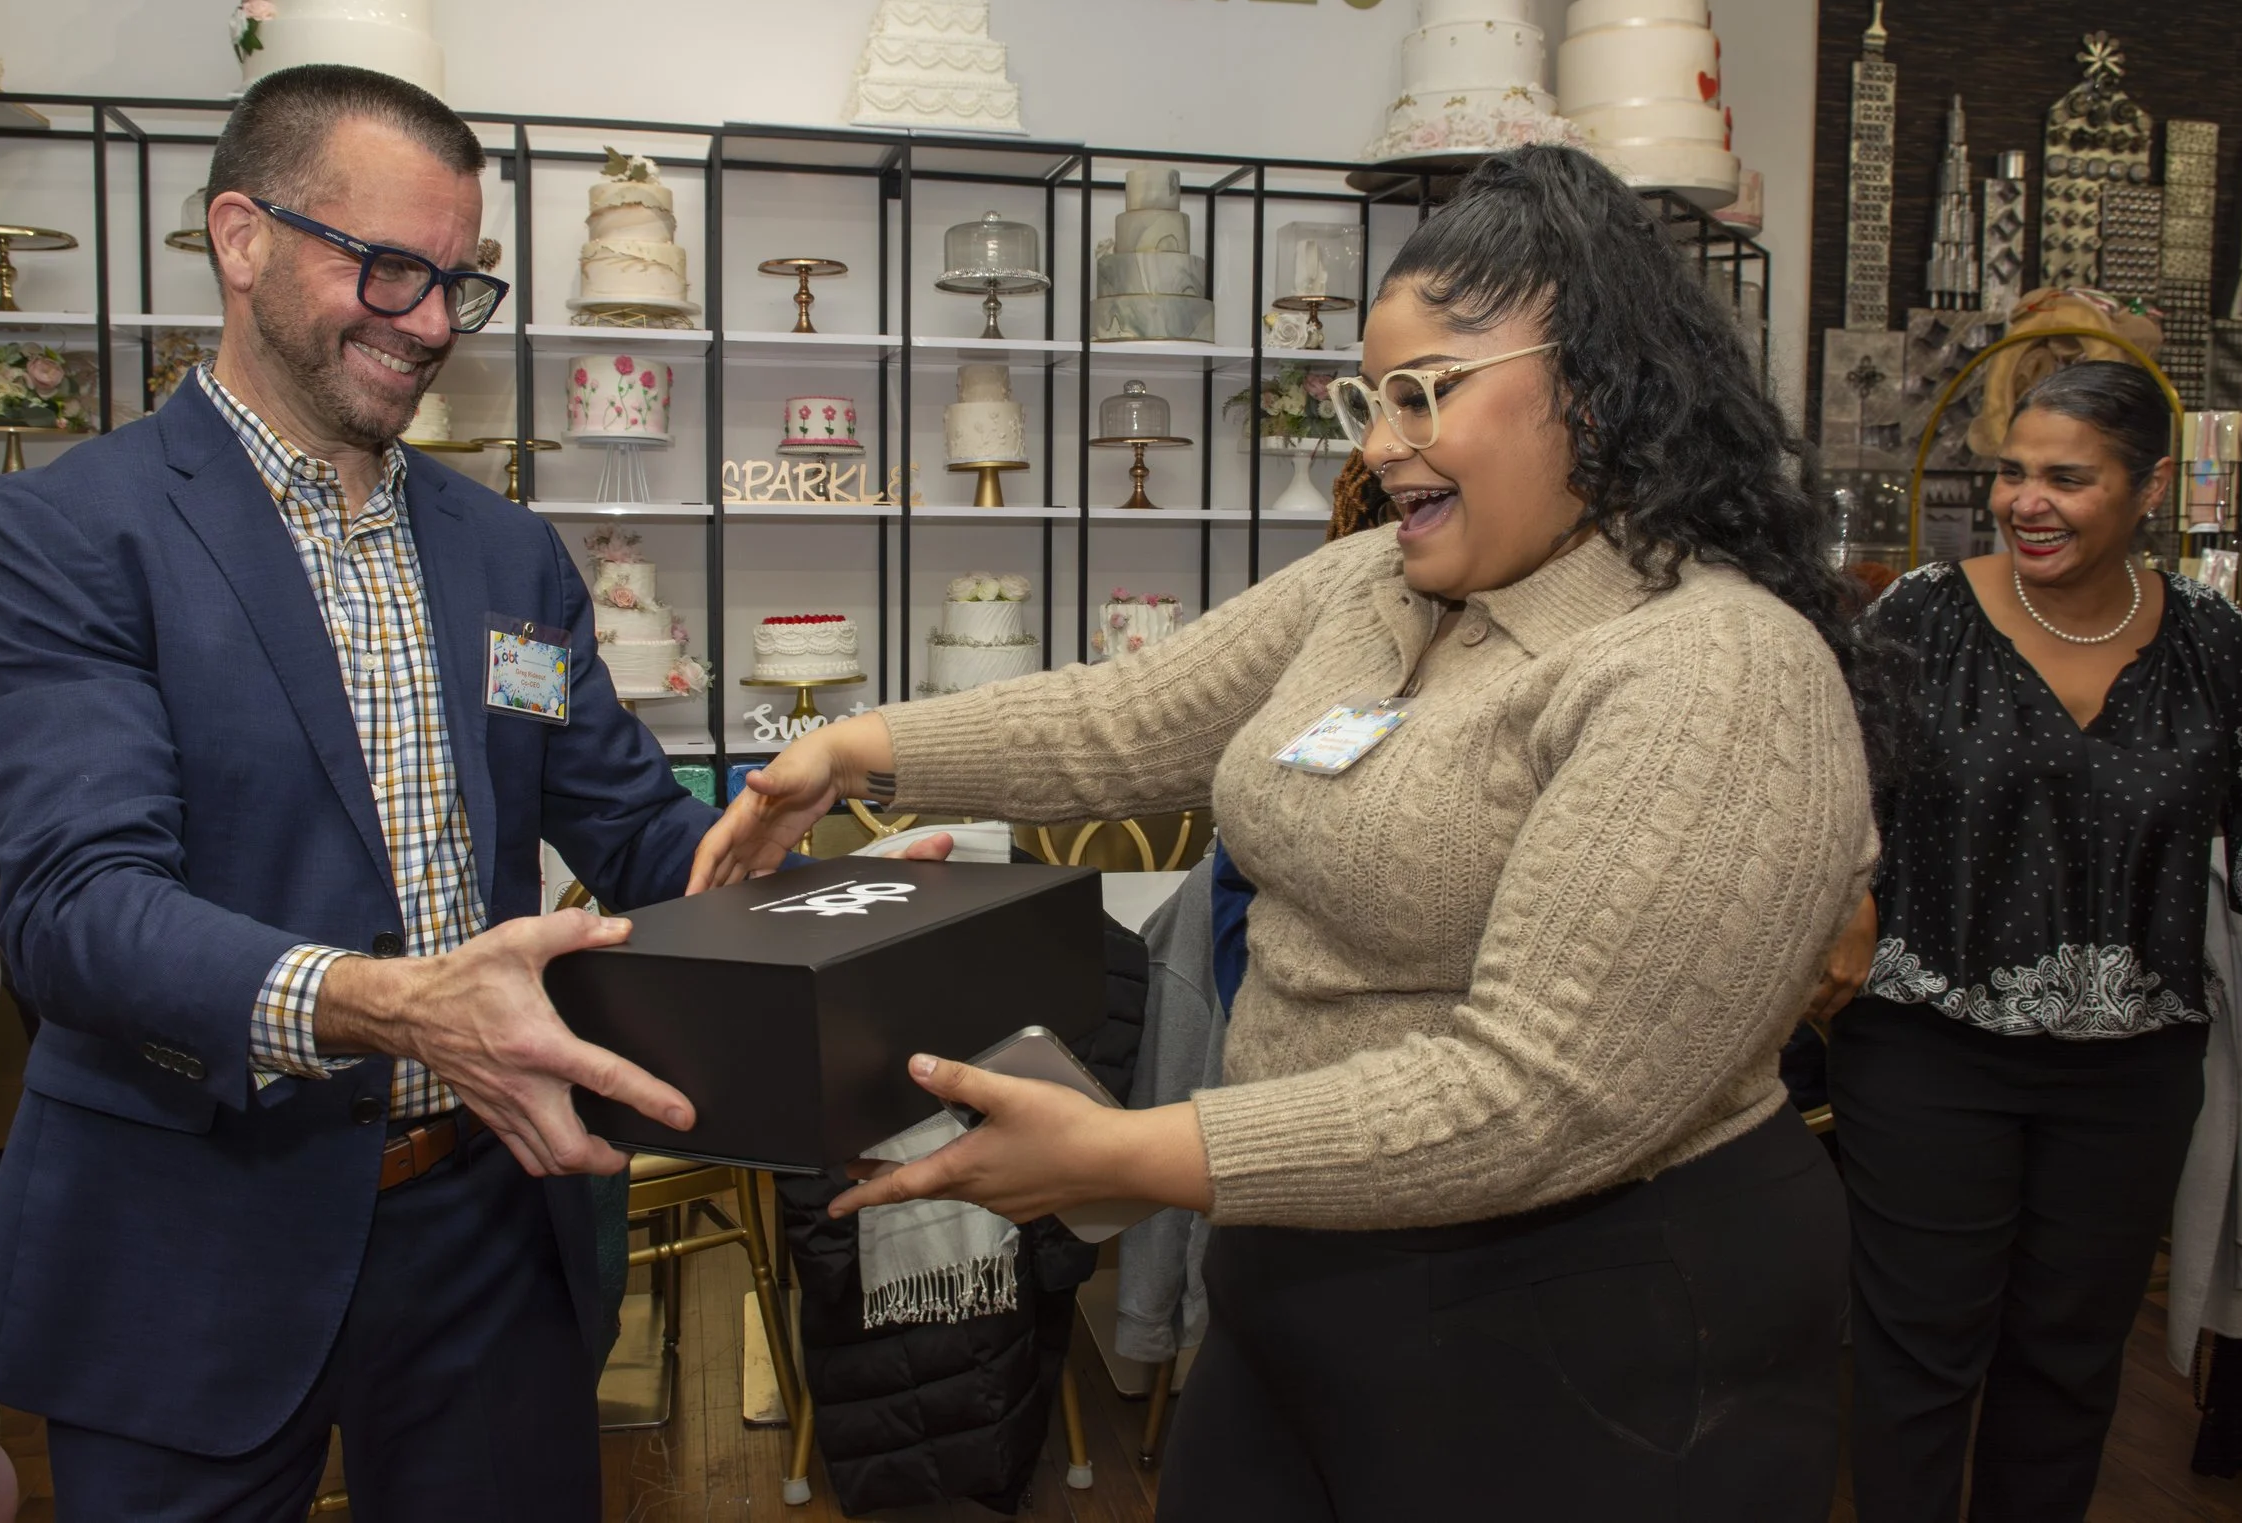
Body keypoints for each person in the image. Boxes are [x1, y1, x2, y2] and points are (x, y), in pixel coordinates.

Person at [691, 143, 1881, 1517]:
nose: (1381, 447)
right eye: (1373, 399)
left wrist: (1128, 1151)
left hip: (1585, 1321)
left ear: (1603, 385)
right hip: (1302, 1268)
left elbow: (1538, 1095)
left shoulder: (1718, 667)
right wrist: (852, 751)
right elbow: (1125, 715)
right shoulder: (1374, 586)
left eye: (1428, 392)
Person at [0, 64, 936, 1522]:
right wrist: (395, 1003)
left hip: (487, 1219)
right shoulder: (65, 534)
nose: (424, 323)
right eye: (390, 267)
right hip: (193, 1226)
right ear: (241, 236)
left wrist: (819, 884)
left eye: (457, 283)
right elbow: (79, 915)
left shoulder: (505, 556)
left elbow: (625, 821)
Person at [1830, 359, 2242, 1523]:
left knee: (2072, 1364)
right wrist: (1849, 891)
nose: (2025, 500)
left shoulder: (2216, 642)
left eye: (2066, 478)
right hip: (1929, 1046)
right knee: (1918, 1357)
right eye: (2012, 472)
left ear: (2149, 488)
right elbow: (1832, 789)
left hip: (2134, 1068)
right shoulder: (1918, 617)